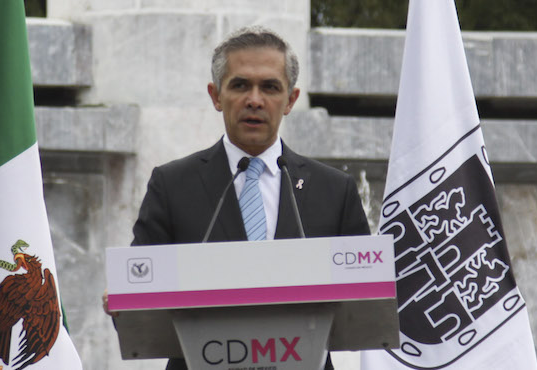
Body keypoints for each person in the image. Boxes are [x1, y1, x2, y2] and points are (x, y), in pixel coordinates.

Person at [115, 26, 371, 370]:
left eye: (269, 87)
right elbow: (138, 296)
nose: (254, 99)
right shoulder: (172, 184)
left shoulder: (334, 190)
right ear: (216, 95)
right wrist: (125, 300)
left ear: (291, 100)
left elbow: (365, 302)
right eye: (240, 85)